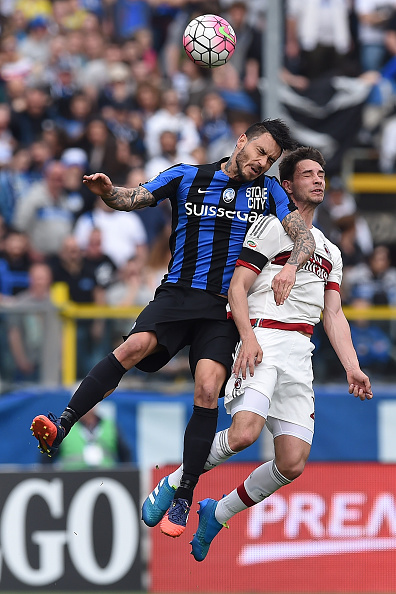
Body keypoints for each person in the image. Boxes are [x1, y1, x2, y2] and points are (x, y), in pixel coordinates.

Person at [30, 118, 315, 539]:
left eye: (270, 160)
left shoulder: (269, 191)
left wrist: (291, 265)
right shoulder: (187, 176)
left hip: (222, 309)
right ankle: (63, 425)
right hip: (177, 294)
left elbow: (304, 237)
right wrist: (109, 192)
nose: (262, 163)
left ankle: (183, 496)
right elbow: (134, 198)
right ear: (242, 142)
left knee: (205, 387)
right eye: (259, 152)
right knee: (132, 347)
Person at [180, 146, 372, 561]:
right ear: (287, 185)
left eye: (322, 173)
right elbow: (238, 287)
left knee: (292, 463)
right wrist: (247, 338)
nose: (319, 179)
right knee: (245, 433)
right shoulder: (269, 227)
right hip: (263, 340)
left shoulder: (330, 251)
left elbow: (334, 315)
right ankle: (178, 483)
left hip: (300, 352)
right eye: (308, 174)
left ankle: (218, 512)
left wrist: (352, 366)